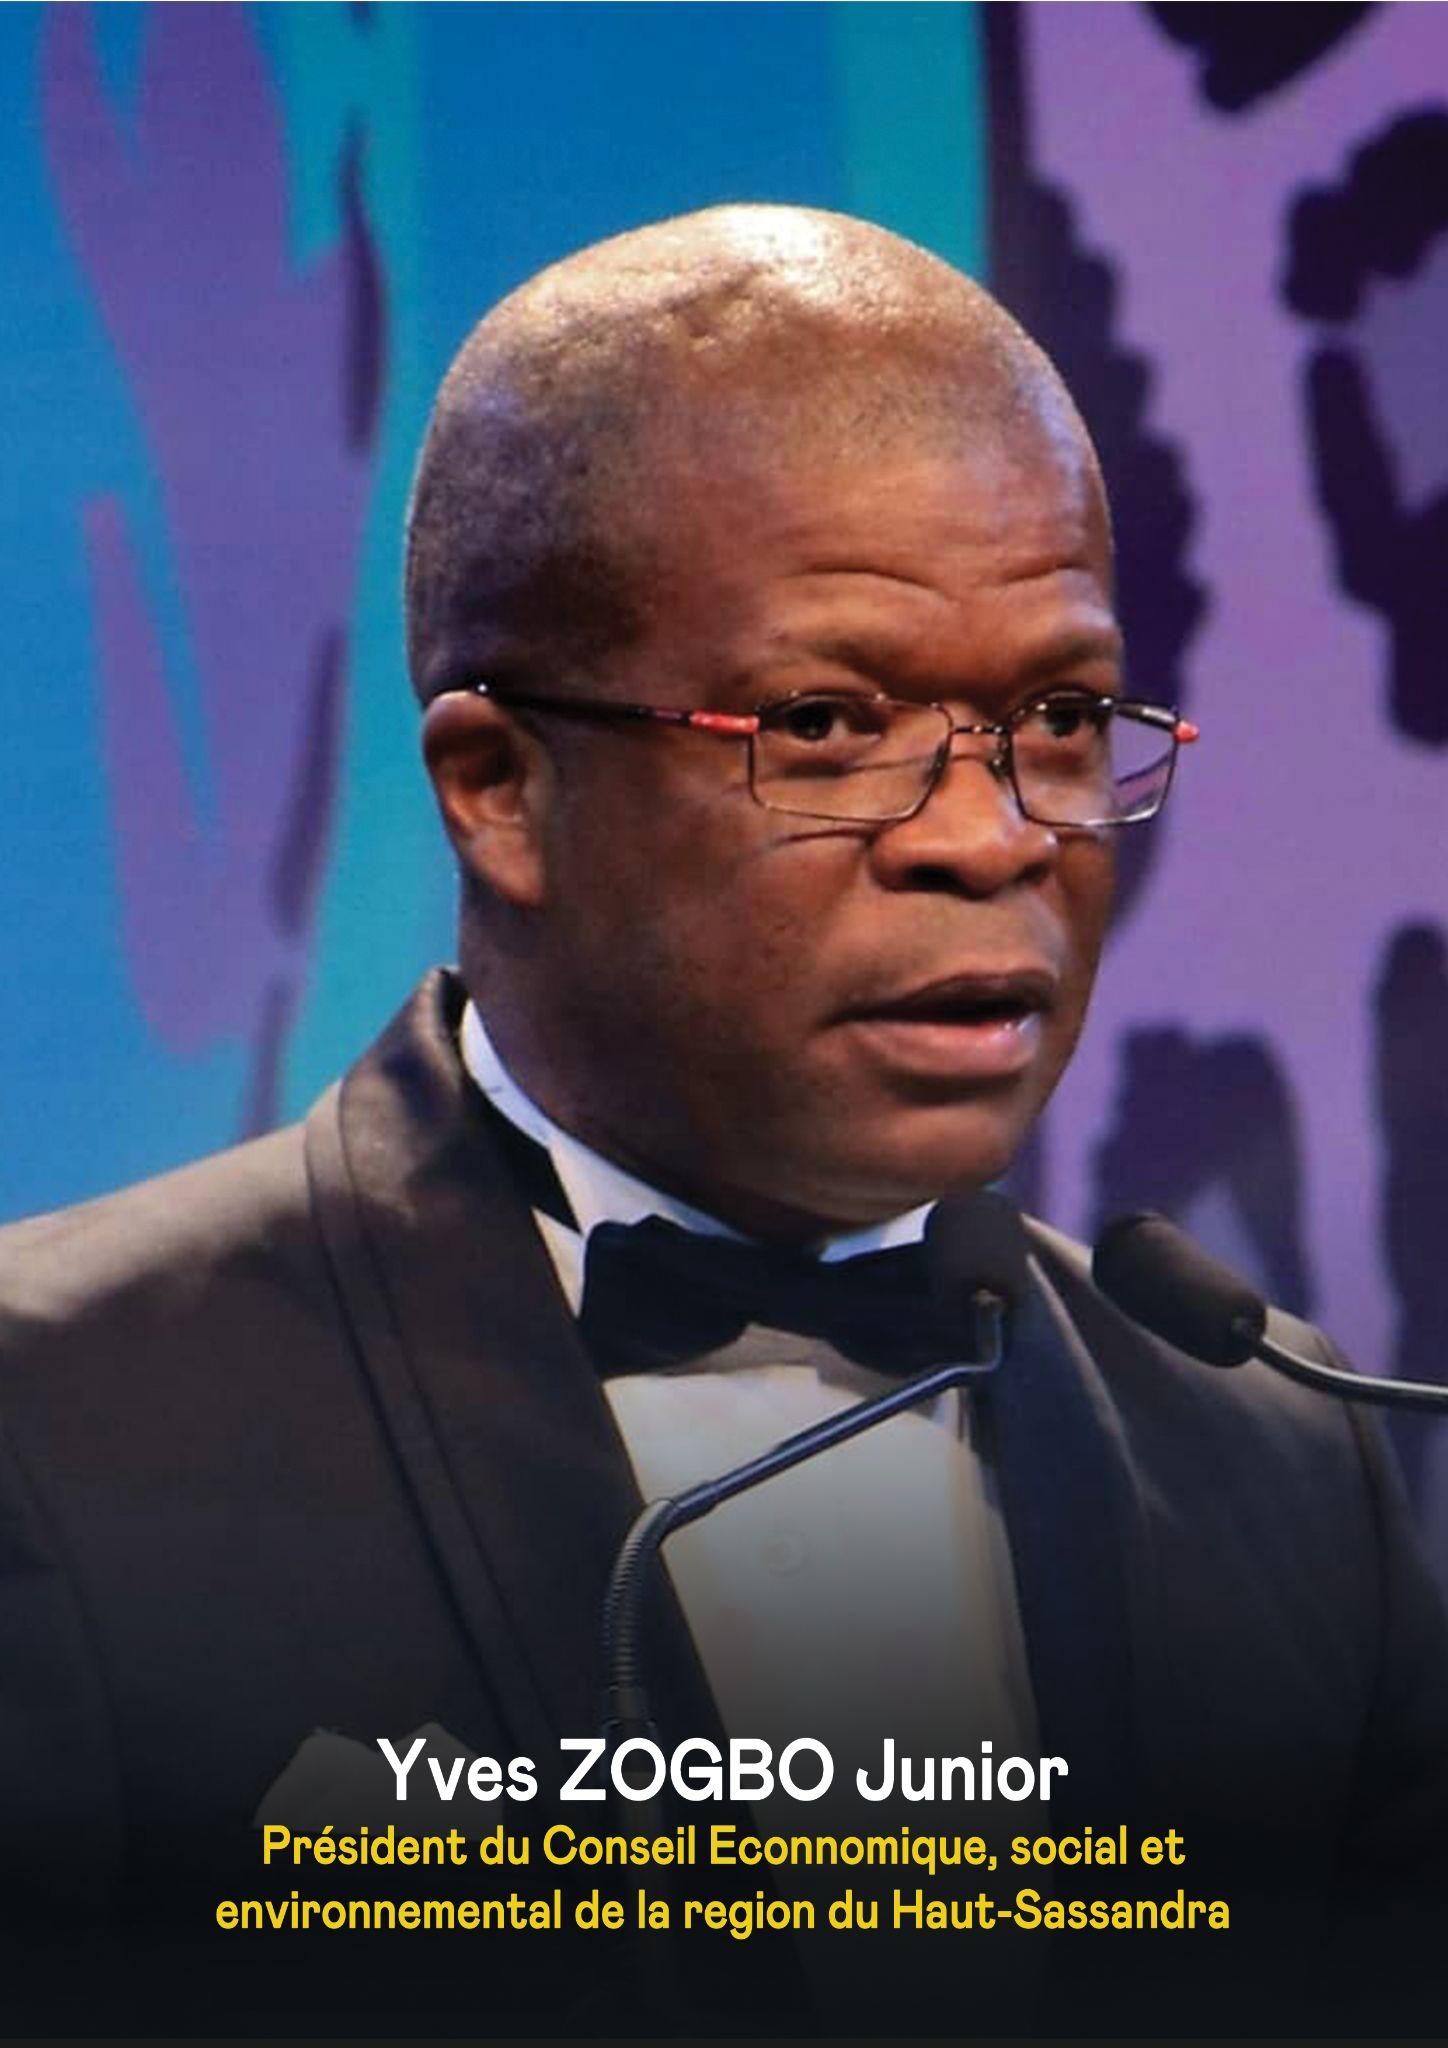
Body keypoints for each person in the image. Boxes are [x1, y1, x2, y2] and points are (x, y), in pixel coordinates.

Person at [0, 205, 1444, 2037]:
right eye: (827, 723)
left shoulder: (1282, 1463)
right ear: (501, 789)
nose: (990, 837)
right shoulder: (56, 1428)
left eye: (1063, 715)